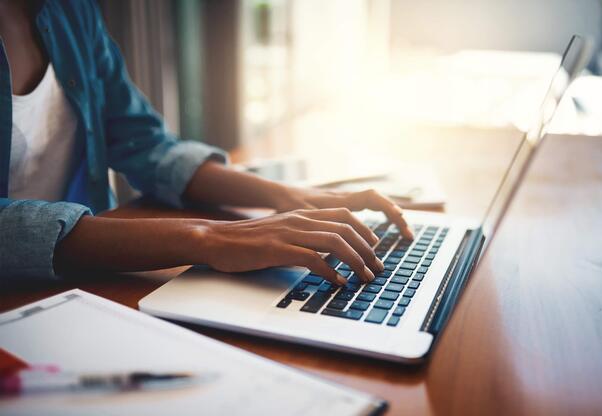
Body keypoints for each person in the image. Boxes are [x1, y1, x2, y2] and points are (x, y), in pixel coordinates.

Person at [0, 0, 412, 286]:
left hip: (99, 276)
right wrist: (209, 238)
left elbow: (145, 144)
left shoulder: (72, 10)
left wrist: (288, 196)